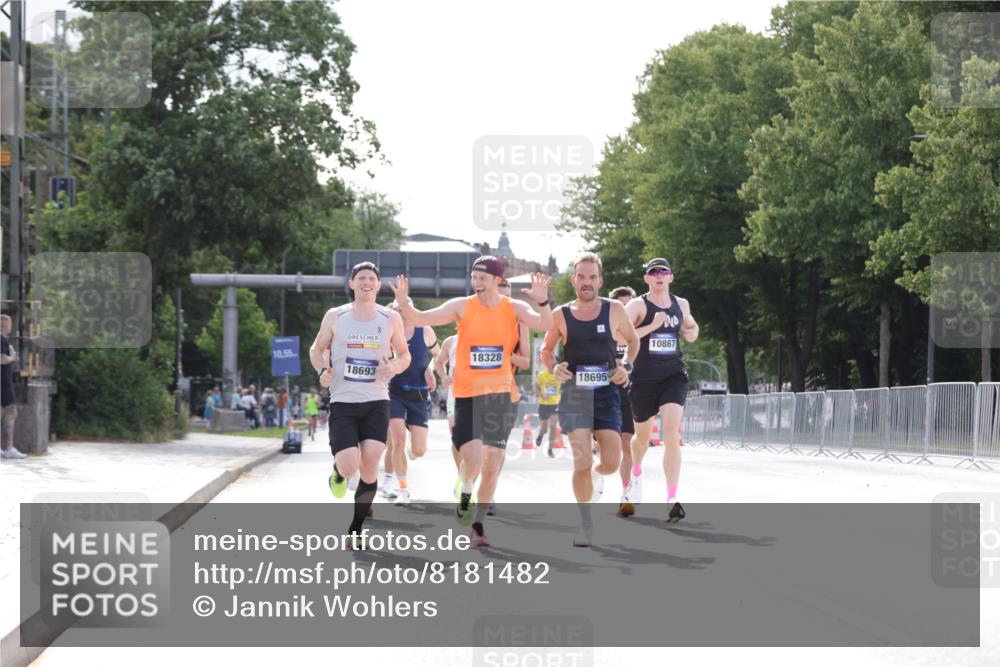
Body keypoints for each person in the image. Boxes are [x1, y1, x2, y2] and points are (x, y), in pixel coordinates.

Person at [391, 256, 552, 546]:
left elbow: (545, 323)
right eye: (474, 277)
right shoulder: (462, 306)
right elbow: (421, 319)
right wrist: (404, 303)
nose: (476, 283)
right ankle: (465, 489)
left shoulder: (513, 308)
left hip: (500, 395)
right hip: (467, 395)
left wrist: (543, 301)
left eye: (482, 278)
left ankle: (478, 525)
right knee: (474, 458)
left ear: (496, 280)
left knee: (492, 464)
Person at [541, 253, 639, 545]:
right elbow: (546, 351)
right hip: (574, 395)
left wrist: (627, 367)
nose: (586, 282)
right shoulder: (561, 314)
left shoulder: (614, 311)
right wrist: (554, 366)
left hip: (607, 393)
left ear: (600, 280)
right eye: (581, 277)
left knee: (611, 461)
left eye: (592, 277)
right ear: (573, 281)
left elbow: (633, 341)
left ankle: (597, 477)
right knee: (580, 461)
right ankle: (585, 523)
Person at [312, 261, 410, 547]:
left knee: (369, 467)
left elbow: (404, 355)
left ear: (378, 286)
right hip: (343, 400)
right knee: (349, 466)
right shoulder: (336, 316)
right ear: (352, 284)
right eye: (361, 278)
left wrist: (394, 367)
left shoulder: (390, 318)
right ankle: (338, 471)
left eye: (372, 279)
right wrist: (322, 371)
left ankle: (355, 528)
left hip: (377, 401)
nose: (367, 282)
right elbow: (316, 349)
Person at [624, 258, 699, 522]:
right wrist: (653, 326)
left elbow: (690, 326)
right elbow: (622, 337)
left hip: (673, 376)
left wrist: (692, 332)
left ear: (671, 277)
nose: (658, 276)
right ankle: (635, 475)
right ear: (646, 279)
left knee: (671, 433)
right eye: (653, 272)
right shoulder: (637, 305)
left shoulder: (681, 304)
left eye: (663, 272)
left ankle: (671, 499)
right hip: (644, 378)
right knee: (641, 439)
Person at [387, 297, 440, 505]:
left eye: (405, 309)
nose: (401, 314)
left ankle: (413, 449)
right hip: (395, 392)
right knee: (397, 441)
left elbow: (438, 354)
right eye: (398, 310)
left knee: (418, 450)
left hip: (418, 395)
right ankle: (403, 490)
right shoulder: (389, 334)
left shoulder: (425, 331)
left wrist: (430, 369)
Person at [608, 286, 639, 517]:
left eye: (631, 305)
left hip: (628, 391)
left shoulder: (636, 332)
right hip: (601, 391)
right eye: (623, 306)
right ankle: (596, 476)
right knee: (601, 444)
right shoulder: (602, 327)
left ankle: (626, 495)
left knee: (627, 442)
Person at [1, 314, 25, 460]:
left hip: (4, 383)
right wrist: (12, 358)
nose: (11, 326)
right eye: (9, 323)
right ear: (5, 325)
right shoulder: (1, 339)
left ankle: (8, 448)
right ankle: (8, 448)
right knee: (11, 412)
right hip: (3, 384)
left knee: (7, 412)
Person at [534, 366, 561, 456]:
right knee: (544, 429)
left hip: (555, 404)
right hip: (544, 405)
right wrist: (541, 395)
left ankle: (550, 449)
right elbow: (536, 388)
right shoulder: (542, 375)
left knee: (553, 427)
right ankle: (541, 435)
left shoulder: (560, 375)